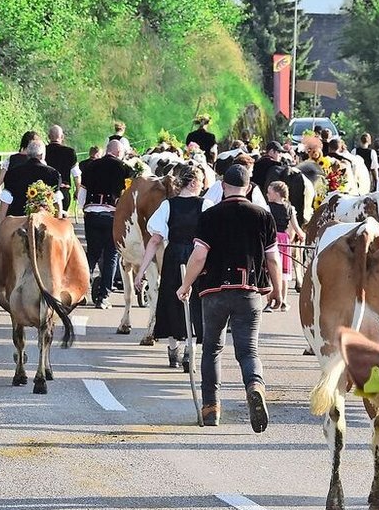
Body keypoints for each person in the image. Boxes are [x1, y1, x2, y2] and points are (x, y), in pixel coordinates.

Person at [177, 164, 282, 430]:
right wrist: (278, 290)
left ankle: (211, 409)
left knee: (212, 349)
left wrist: (185, 285)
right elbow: (273, 259)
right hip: (249, 293)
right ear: (248, 188)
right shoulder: (263, 216)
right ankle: (255, 385)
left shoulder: (210, 215)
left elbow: (199, 256)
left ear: (223, 187)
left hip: (214, 292)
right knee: (248, 350)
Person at [136, 162, 205, 370]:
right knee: (195, 301)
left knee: (171, 300)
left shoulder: (168, 205)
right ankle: (189, 352)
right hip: (196, 255)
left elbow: (155, 240)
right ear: (193, 183)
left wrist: (141, 270)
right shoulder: (206, 205)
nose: (202, 186)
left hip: (174, 255)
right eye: (201, 182)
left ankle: (174, 349)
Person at [78, 139, 134, 308]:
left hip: (92, 214)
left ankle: (80, 291)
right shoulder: (125, 169)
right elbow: (128, 197)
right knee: (111, 255)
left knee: (92, 254)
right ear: (118, 152)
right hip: (112, 215)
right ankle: (103, 297)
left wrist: (86, 210)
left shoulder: (90, 167)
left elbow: (82, 196)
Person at [0, 139, 60, 227]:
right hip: (44, 224)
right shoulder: (53, 174)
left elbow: (5, 199)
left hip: (17, 223)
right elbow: (57, 201)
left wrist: (2, 225)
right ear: (42, 155)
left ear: (28, 154)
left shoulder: (13, 173)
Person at [265, 180, 303, 310]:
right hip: (285, 240)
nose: (267, 194)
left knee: (271, 271)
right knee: (283, 273)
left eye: (269, 192)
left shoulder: (268, 207)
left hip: (272, 239)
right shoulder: (290, 208)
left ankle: (272, 302)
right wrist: (302, 235)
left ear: (276, 193)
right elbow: (296, 227)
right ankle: (283, 301)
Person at [202, 154, 268, 210]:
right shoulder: (219, 185)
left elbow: (205, 205)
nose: (251, 175)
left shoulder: (219, 185)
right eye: (250, 172)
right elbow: (262, 209)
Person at [44, 125, 80, 214]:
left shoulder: (43, 151)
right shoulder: (70, 152)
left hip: (45, 192)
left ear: (48, 137)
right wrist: (77, 190)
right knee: (61, 223)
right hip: (63, 191)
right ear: (62, 137)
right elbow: (76, 175)